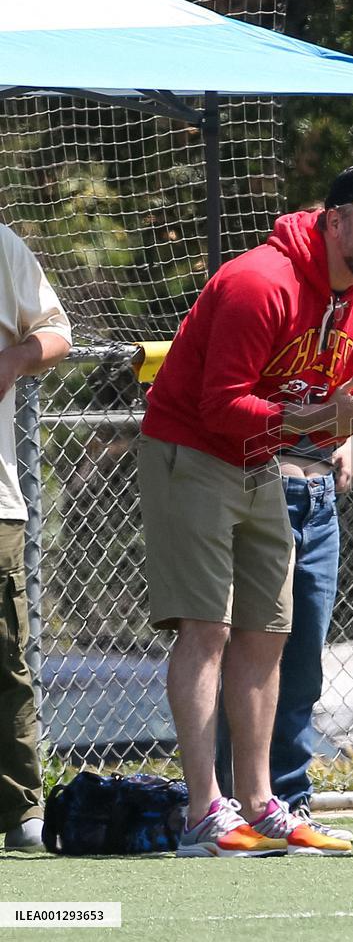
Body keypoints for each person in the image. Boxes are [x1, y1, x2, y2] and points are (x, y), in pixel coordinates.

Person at [138, 163, 353, 857]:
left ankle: (263, 802)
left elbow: (314, 423)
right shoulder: (257, 282)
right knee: (207, 629)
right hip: (193, 450)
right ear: (334, 221)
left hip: (258, 459)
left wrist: (349, 423)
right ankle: (204, 810)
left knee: (268, 631)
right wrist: (332, 413)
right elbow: (220, 407)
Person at [0, 223, 72, 852]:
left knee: (5, 659)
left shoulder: (2, 245)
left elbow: (57, 331)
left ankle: (22, 808)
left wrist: (16, 357)